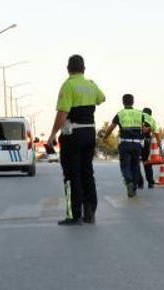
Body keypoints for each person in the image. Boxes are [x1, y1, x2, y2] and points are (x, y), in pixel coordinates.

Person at [46, 55, 105, 226]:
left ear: (68, 68)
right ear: (84, 69)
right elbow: (102, 98)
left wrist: (52, 135)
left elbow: (62, 113)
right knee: (87, 172)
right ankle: (90, 211)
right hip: (89, 133)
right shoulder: (91, 85)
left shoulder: (69, 85)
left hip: (72, 135)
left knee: (72, 174)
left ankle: (74, 215)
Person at [102, 94, 161, 198]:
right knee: (135, 165)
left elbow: (111, 127)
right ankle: (133, 187)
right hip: (138, 144)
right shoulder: (140, 114)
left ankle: (129, 182)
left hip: (125, 143)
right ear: (133, 102)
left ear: (123, 102)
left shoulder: (120, 114)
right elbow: (146, 128)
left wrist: (105, 137)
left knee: (125, 166)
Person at [139, 107, 158, 189]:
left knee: (135, 163)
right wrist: (159, 146)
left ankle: (140, 182)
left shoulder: (139, 116)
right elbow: (156, 133)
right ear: (151, 114)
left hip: (137, 141)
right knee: (147, 163)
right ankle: (150, 182)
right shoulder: (152, 120)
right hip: (146, 142)